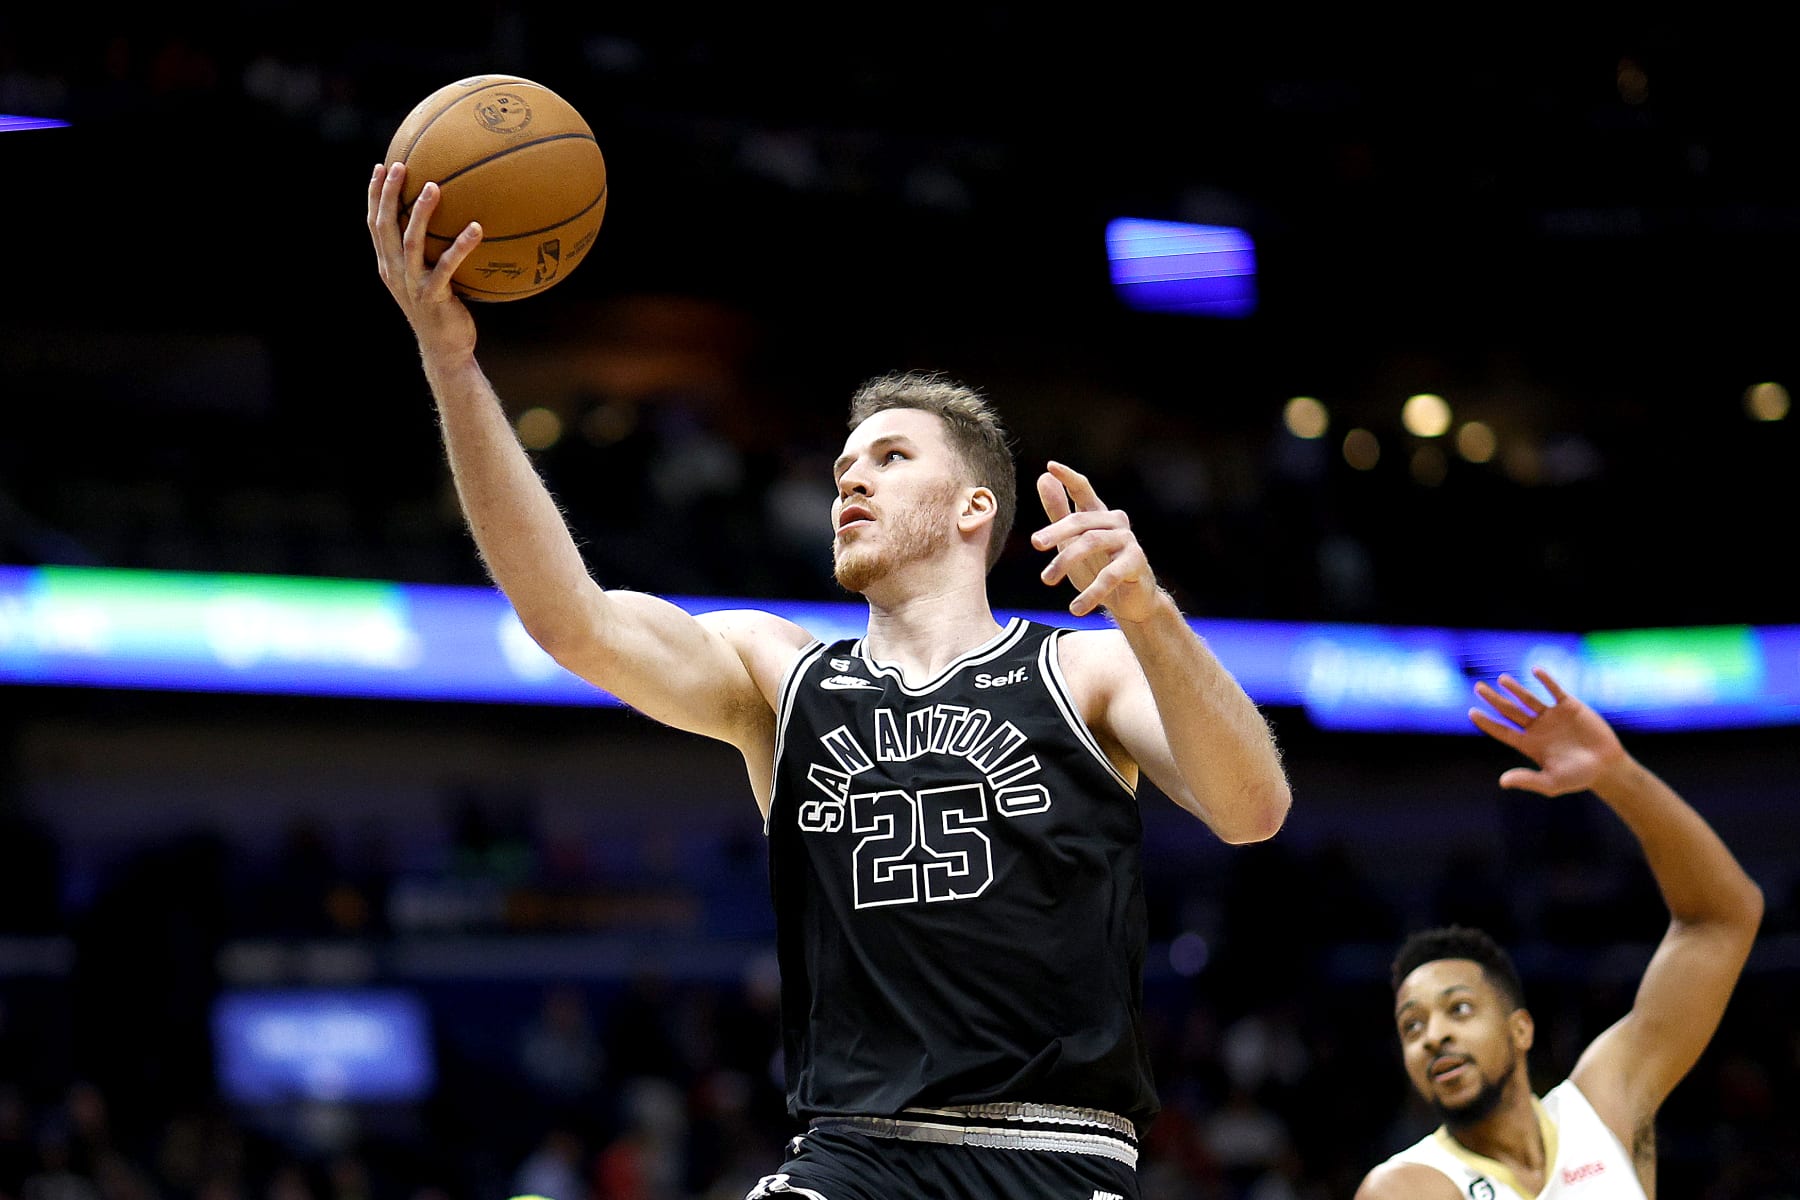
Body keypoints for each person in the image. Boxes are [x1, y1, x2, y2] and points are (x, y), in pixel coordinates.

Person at [366, 163, 1293, 1200]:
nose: (850, 477)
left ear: (973, 508)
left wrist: (1152, 614)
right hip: (852, 1154)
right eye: (845, 463)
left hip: (1058, 1154)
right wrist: (453, 364)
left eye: (891, 458)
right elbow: (568, 620)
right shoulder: (782, 675)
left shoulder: (1083, 666)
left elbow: (1252, 808)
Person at [1357, 668, 1763, 1200]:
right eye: (1412, 1026)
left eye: (1458, 1009)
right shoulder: (1405, 1185)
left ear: (1520, 1029)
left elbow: (1722, 919)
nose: (1433, 1036)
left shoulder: (1605, 1107)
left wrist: (1616, 775)